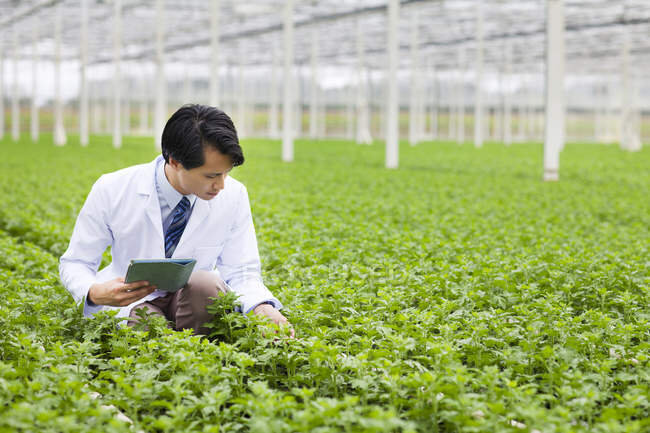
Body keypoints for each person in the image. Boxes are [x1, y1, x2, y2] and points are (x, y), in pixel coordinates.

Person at [59, 104, 292, 336]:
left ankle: (196, 350)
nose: (221, 185)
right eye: (211, 176)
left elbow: (241, 269)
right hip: (132, 302)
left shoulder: (234, 194)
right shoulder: (112, 188)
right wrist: (94, 292)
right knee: (146, 325)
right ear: (175, 162)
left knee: (206, 285)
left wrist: (261, 306)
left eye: (226, 172)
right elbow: (76, 262)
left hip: (194, 301)